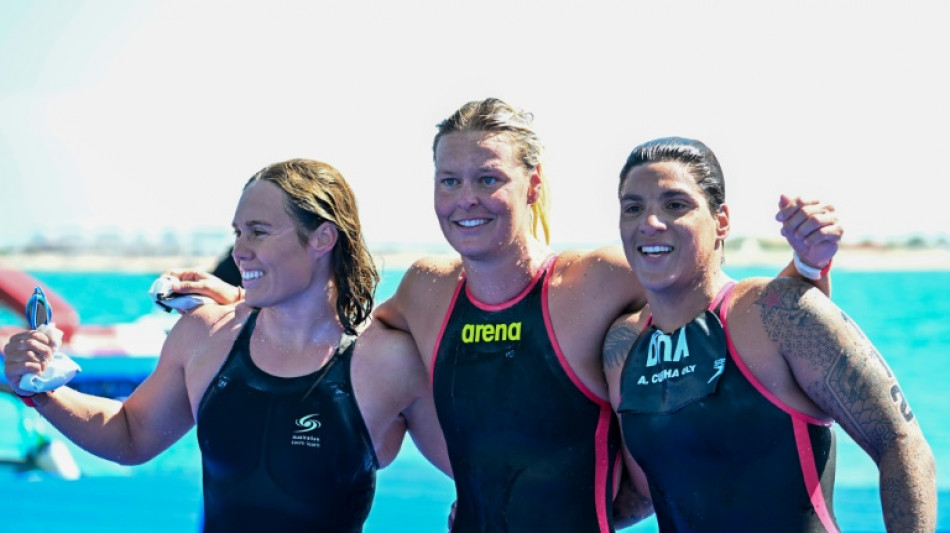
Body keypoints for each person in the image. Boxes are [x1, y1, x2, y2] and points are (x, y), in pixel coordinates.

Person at [166, 98, 843, 532]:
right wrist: (245, 297)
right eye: (449, 181)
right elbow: (341, 328)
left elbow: (714, 302)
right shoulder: (429, 291)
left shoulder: (597, 279)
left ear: (533, 185)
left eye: (489, 178)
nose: (467, 199)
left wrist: (809, 270)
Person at [2, 159, 451, 532]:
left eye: (258, 231)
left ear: (322, 238)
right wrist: (40, 389)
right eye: (237, 233)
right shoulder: (205, 336)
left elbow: (478, 470)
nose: (239, 251)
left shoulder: (387, 362)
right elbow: (130, 435)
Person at [602, 137, 936, 532]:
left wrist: (809, 267)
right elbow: (648, 492)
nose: (650, 223)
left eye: (676, 205)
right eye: (633, 208)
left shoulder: (778, 313)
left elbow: (899, 442)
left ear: (721, 221)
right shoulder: (623, 348)